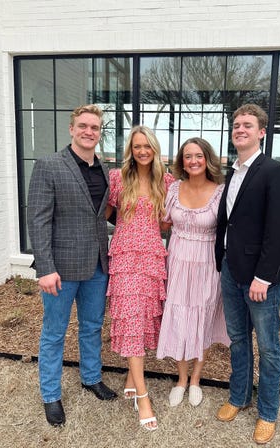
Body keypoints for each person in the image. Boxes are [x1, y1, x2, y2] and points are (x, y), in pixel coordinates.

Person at [27, 104, 117, 427]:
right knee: (54, 333)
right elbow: (38, 221)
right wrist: (45, 268)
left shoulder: (105, 170)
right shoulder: (49, 165)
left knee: (92, 326)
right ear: (71, 129)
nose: (89, 131)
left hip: (97, 266)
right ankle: (51, 395)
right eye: (83, 126)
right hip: (60, 269)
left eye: (95, 127)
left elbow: (105, 215)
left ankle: (91, 377)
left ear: (99, 132)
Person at [215, 104, 280, 444]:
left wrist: (263, 276)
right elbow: (229, 223)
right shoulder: (231, 173)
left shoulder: (274, 171)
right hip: (231, 271)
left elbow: (278, 229)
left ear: (262, 132)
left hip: (261, 278)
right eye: (236, 125)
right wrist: (220, 262)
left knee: (268, 346)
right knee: (237, 340)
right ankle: (239, 397)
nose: (240, 129)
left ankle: (268, 412)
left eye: (247, 125)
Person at [106, 125, 174, 431]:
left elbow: (168, 224)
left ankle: (132, 377)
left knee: (146, 319)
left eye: (147, 146)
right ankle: (143, 397)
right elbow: (105, 212)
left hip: (151, 259)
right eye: (137, 147)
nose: (142, 151)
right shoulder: (118, 178)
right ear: (130, 151)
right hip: (124, 259)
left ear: (155, 149)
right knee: (131, 320)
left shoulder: (167, 181)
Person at [157, 137, 231, 407]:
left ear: (207, 158)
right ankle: (181, 379)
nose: (194, 161)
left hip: (207, 263)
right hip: (176, 262)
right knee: (178, 316)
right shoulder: (174, 189)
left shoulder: (221, 192)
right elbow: (163, 223)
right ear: (182, 162)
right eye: (188, 156)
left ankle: (196, 380)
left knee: (202, 318)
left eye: (198, 155)